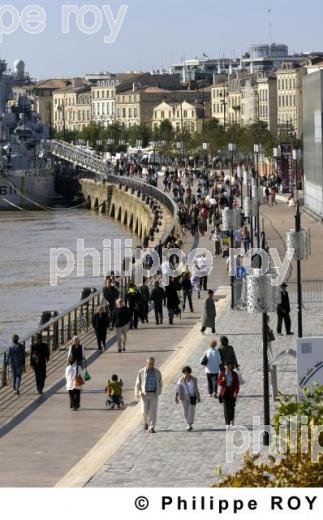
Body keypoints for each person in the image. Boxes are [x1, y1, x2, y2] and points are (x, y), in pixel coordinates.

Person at [135, 357, 163, 433]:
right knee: (144, 411)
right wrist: (137, 392)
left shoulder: (157, 372)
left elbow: (160, 383)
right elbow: (138, 383)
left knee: (153, 411)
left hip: (154, 394)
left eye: (152, 364)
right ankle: (146, 422)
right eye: (149, 364)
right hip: (144, 394)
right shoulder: (141, 372)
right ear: (146, 363)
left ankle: (152, 427)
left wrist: (159, 391)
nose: (151, 365)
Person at [175, 366, 201, 431]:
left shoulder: (194, 379)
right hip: (183, 397)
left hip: (192, 396)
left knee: (191, 410)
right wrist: (176, 397)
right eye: (184, 373)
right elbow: (178, 389)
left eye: (187, 373)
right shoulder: (180, 380)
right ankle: (188, 424)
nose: (185, 375)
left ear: (190, 373)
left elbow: (196, 389)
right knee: (185, 410)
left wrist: (198, 397)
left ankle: (189, 423)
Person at [66, 336, 85, 411]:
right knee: (72, 388)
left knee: (77, 387)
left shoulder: (81, 347)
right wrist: (68, 362)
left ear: (79, 341)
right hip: (73, 365)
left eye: (77, 340)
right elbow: (68, 356)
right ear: (73, 341)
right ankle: (74, 404)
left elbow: (83, 356)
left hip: (79, 364)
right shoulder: (71, 347)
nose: (76, 341)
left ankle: (75, 404)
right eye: (74, 340)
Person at [218, 362, 240, 426]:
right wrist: (222, 380)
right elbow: (219, 383)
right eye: (226, 365)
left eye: (228, 365)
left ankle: (231, 419)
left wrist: (236, 392)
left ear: (231, 366)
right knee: (226, 408)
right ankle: (227, 422)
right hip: (225, 392)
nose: (227, 367)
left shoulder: (234, 374)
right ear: (224, 366)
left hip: (232, 392)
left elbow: (237, 384)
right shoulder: (222, 374)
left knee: (232, 407)